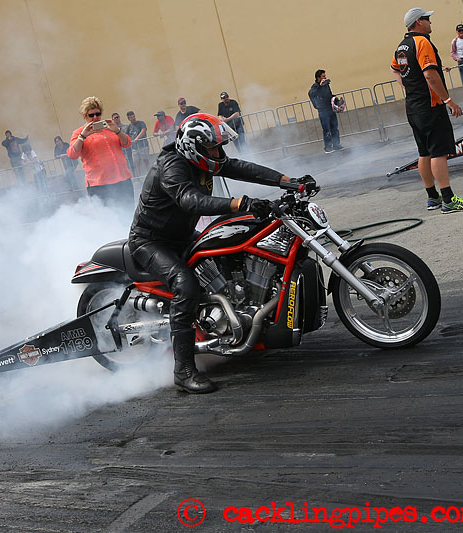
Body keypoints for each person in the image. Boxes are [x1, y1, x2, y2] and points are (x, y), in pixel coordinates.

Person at [128, 113, 299, 394]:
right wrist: (240, 203)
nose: (218, 153)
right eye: (213, 148)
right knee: (185, 286)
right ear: (194, 147)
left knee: (227, 259)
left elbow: (241, 168)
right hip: (151, 242)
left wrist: (288, 182)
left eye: (219, 147)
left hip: (182, 237)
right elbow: (190, 200)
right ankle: (183, 371)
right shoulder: (171, 166)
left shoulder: (203, 160)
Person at [391, 8, 463, 213]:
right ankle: (448, 199)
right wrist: (448, 100)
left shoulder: (402, 46)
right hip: (430, 107)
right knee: (439, 152)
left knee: (424, 153)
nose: (430, 22)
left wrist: (408, 87)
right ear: (418, 22)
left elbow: (394, 69)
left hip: (413, 107)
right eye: (427, 19)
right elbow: (430, 75)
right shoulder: (422, 42)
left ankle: (432, 197)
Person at [67, 96, 134, 210]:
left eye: (98, 114)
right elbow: (72, 154)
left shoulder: (110, 128)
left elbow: (127, 143)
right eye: (91, 115)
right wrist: (82, 137)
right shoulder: (79, 133)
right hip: (99, 184)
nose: (95, 117)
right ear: (85, 116)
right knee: (106, 217)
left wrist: (117, 131)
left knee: (129, 212)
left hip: (122, 178)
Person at [308, 71, 343, 153]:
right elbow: (311, 93)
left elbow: (329, 95)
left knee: (334, 128)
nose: (325, 77)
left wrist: (336, 99)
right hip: (323, 111)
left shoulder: (326, 85)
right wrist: (320, 86)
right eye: (323, 76)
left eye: (325, 76)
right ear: (318, 78)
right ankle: (328, 147)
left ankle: (336, 145)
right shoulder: (315, 87)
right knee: (327, 130)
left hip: (330, 109)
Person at [124, 111, 149, 176]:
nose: (133, 118)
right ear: (128, 119)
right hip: (134, 148)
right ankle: (138, 178)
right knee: (136, 164)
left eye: (133, 116)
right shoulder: (129, 126)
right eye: (131, 117)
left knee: (146, 161)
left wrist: (137, 138)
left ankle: (150, 175)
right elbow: (127, 135)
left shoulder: (141, 123)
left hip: (143, 146)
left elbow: (143, 130)